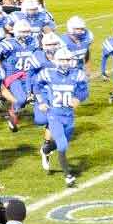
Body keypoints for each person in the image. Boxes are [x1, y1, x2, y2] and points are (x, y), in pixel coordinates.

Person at [35, 48, 89, 187]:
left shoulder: (77, 74)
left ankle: (46, 149)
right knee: (62, 144)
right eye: (62, 60)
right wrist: (41, 102)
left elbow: (84, 91)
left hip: (69, 115)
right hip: (54, 115)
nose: (65, 62)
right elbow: (37, 86)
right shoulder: (48, 73)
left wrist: (78, 98)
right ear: (56, 60)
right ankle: (68, 176)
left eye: (67, 60)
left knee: (64, 141)